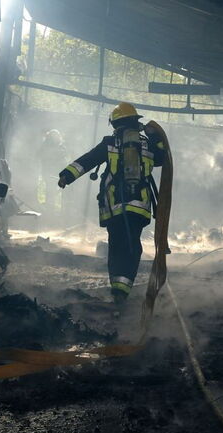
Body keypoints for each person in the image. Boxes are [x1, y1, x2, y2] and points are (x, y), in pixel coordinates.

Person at [57, 103, 166, 304]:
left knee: (117, 245)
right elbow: (164, 157)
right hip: (140, 207)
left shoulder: (110, 143)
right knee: (133, 245)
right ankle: (124, 288)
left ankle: (118, 290)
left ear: (115, 123)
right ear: (136, 121)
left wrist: (66, 176)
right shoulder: (148, 145)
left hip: (115, 207)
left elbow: (87, 161)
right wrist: (155, 135)